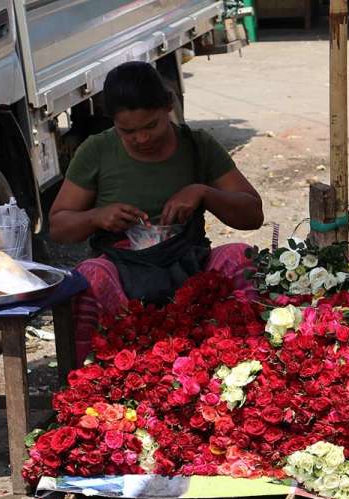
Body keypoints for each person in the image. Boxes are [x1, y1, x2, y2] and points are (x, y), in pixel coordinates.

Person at [49, 61, 263, 361]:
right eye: (128, 131)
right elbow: (59, 226)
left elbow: (253, 214)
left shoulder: (197, 146)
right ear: (113, 123)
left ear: (168, 106)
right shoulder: (97, 150)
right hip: (123, 276)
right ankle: (94, 378)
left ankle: (240, 361)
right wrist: (96, 217)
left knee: (241, 257)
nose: (142, 138)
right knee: (88, 276)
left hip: (190, 270)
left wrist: (203, 193)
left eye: (151, 125)